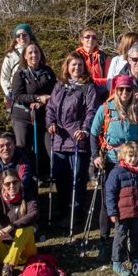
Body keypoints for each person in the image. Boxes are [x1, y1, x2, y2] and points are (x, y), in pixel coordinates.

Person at [91, 74, 138, 254]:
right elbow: (93, 133)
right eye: (121, 89)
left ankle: (128, 241)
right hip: (111, 161)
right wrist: (95, 156)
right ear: (115, 90)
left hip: (131, 162)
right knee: (107, 202)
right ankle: (104, 240)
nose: (124, 92)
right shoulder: (106, 109)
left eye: (128, 89)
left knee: (130, 200)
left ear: (133, 91)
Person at [46, 53, 102, 236]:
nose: (76, 68)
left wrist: (85, 129)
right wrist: (50, 123)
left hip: (78, 139)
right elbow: (51, 108)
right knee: (61, 177)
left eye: (79, 65)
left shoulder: (88, 87)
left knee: (78, 177)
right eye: (73, 65)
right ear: (67, 66)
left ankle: (77, 212)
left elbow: (91, 111)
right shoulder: (59, 85)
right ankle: (62, 209)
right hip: (60, 138)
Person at [104, 143, 138, 276]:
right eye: (130, 156)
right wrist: (112, 212)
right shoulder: (117, 172)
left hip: (137, 211)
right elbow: (110, 193)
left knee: (136, 237)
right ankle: (117, 262)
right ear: (123, 156)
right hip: (122, 213)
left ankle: (135, 260)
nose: (133, 159)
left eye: (136, 156)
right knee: (121, 237)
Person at [7, 41, 56, 155]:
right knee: (23, 147)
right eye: (30, 52)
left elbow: (55, 92)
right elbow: (17, 96)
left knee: (44, 148)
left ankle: (45, 172)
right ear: (25, 56)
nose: (34, 55)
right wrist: (38, 98)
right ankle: (24, 172)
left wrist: (43, 103)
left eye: (36, 52)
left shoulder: (47, 72)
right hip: (22, 116)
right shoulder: (20, 74)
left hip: (43, 116)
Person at [0, 130, 36, 202]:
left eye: (8, 144)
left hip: (17, 193)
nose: (5, 148)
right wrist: (10, 184)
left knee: (31, 184)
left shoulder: (22, 160)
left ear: (14, 145)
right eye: (1, 146)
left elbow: (23, 182)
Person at [0, 23, 37, 104]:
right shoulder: (10, 55)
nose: (21, 37)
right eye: (18, 35)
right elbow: (4, 77)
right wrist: (9, 93)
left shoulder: (37, 52)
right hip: (16, 94)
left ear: (29, 35)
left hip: (34, 94)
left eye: (24, 35)